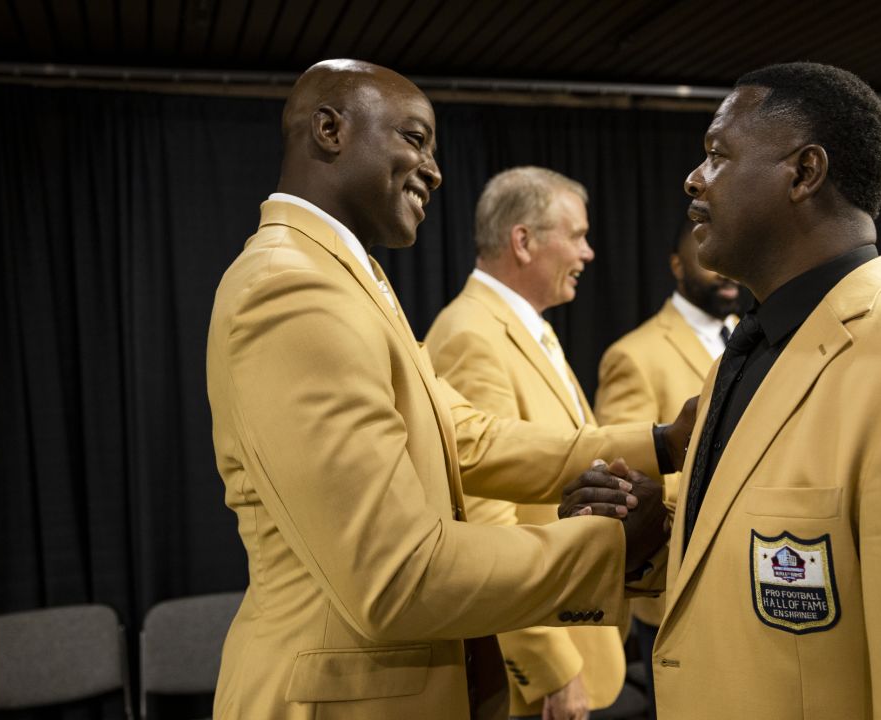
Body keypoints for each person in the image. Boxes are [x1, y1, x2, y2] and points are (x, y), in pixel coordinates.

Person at [561, 61, 881, 718]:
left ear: (804, 173)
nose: (693, 177)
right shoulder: (745, 355)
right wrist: (661, 539)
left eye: (717, 155)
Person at [205, 60, 680, 720]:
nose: (434, 169)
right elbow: (395, 573)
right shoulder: (293, 288)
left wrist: (663, 442)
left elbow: (468, 438)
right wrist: (614, 545)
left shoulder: (347, 276)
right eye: (414, 138)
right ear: (329, 129)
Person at [425, 166, 623, 720]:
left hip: (577, 633)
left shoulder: (526, 326)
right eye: (577, 235)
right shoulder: (470, 335)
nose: (587, 253)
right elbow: (485, 519)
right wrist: (549, 665)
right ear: (523, 240)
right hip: (537, 679)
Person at [592, 219, 743, 716]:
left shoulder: (753, 341)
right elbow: (630, 486)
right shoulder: (634, 356)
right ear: (677, 265)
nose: (722, 272)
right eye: (704, 258)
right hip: (677, 591)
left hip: (755, 588)